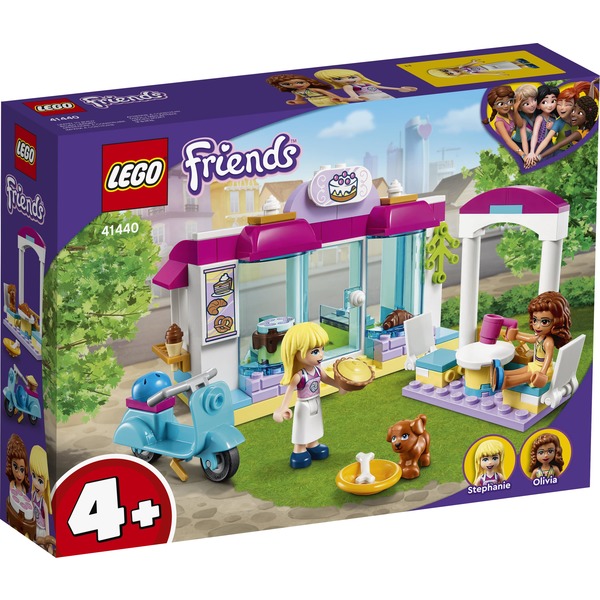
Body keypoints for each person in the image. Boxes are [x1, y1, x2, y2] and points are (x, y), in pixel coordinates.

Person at [273, 322, 346, 469]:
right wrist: (282, 409)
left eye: (322, 349)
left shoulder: (318, 370)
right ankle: (299, 450)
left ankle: (313, 444)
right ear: (296, 353)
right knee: (302, 426)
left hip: (316, 401)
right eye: (315, 351)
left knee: (315, 423)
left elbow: (327, 379)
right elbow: (289, 393)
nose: (321, 354)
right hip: (304, 404)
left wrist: (341, 386)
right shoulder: (299, 376)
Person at [502, 291, 572, 389]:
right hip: (536, 364)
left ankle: (507, 382)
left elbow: (548, 358)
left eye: (544, 322)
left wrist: (542, 372)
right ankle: (504, 374)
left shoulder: (548, 342)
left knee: (528, 375)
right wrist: (516, 336)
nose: (537, 326)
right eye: (535, 320)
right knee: (524, 369)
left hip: (544, 370)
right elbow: (530, 338)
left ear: (557, 322)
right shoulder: (540, 337)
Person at [314, 68, 416, 101]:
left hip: (383, 95)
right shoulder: (348, 86)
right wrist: (351, 99)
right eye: (338, 79)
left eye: (352, 77)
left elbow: (380, 87)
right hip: (371, 98)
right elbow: (353, 96)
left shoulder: (365, 83)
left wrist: (399, 89)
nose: (348, 80)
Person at [482, 85, 527, 160]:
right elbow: (507, 140)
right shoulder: (499, 122)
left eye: (509, 102)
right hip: (502, 147)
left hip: (512, 143)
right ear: (493, 106)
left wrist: (515, 110)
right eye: (501, 104)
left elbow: (520, 125)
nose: (506, 106)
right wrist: (522, 154)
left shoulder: (511, 113)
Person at [266, 74, 353, 108]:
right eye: (287, 84)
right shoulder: (296, 92)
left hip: (327, 99)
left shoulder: (313, 89)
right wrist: (295, 102)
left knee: (340, 107)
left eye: (300, 82)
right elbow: (302, 101)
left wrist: (339, 98)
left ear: (308, 82)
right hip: (315, 102)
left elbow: (327, 93)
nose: (296, 85)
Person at [30, 445, 52, 548]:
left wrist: (48, 539)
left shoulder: (43, 504)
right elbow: (32, 509)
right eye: (33, 476)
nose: (35, 483)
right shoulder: (33, 494)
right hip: (34, 526)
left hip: (42, 531)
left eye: (40, 481)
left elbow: (47, 524)